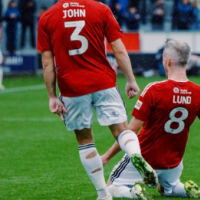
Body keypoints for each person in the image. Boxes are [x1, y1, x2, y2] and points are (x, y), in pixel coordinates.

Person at [37, 1, 157, 200]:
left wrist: (51, 95)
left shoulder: (48, 17)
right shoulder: (100, 9)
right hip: (103, 82)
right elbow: (118, 49)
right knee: (121, 131)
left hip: (72, 88)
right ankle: (135, 155)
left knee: (85, 140)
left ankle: (103, 194)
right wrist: (130, 80)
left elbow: (47, 62)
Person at [102, 39, 200, 200]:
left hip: (145, 158)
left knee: (110, 188)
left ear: (168, 61)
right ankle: (186, 190)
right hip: (173, 162)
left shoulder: (154, 89)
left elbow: (131, 131)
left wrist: (106, 156)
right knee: (166, 189)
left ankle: (134, 193)